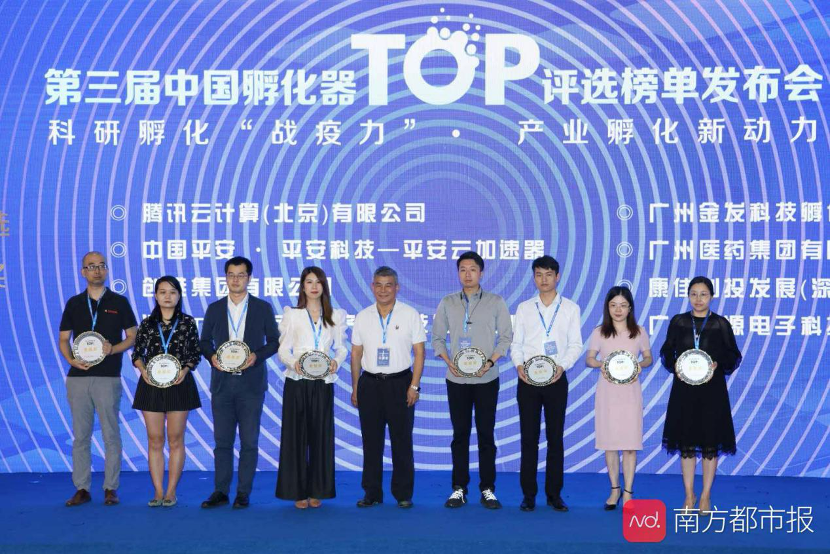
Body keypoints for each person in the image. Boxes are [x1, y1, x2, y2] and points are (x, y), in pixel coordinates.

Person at [431, 251, 513, 509]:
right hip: (456, 380)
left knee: (486, 435)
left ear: (481, 272)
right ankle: (459, 488)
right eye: (463, 269)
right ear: (458, 273)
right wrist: (449, 362)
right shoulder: (447, 302)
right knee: (460, 435)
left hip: (487, 378)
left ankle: (488, 488)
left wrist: (489, 362)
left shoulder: (495, 302)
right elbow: (437, 338)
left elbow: (506, 338)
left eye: (473, 269)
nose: (468, 274)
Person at [199, 256, 280, 509]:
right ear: (226, 278)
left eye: (241, 275)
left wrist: (256, 356)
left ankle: (243, 493)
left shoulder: (262, 308)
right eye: (231, 275)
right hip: (222, 384)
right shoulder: (214, 308)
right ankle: (220, 491)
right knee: (222, 442)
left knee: (249, 442)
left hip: (251, 385)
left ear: (249, 278)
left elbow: (274, 342)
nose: (236, 280)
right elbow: (204, 342)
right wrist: (212, 357)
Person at [59, 251, 137, 507]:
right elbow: (64, 339)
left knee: (110, 434)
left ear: (106, 270)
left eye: (101, 265)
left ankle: (110, 488)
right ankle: (82, 488)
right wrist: (71, 360)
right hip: (78, 377)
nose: (97, 270)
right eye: (91, 266)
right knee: (81, 436)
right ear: (83, 272)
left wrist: (113, 349)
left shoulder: (119, 302)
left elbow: (132, 336)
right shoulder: (74, 303)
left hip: (108, 376)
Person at [660, 276, 741, 514]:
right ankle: (689, 494)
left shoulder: (720, 323)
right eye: (694, 294)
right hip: (684, 390)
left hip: (712, 391)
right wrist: (675, 364)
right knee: (686, 443)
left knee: (709, 444)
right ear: (688, 296)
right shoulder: (679, 322)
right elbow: (666, 350)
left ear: (711, 297)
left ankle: (705, 495)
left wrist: (718, 363)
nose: (698, 299)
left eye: (703, 294)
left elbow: (733, 355)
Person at [510, 256, 582, 512]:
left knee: (555, 438)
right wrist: (519, 365)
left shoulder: (570, 308)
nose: (544, 279)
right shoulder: (524, 308)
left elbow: (575, 344)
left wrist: (562, 366)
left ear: (557, 277)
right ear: (534, 277)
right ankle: (528, 495)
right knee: (528, 438)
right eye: (539, 274)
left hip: (556, 380)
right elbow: (516, 344)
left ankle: (554, 494)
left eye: (549, 274)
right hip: (527, 381)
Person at [350, 266, 426, 508]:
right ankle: (372, 493)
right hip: (369, 383)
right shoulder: (362, 316)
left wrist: (414, 386)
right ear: (372, 287)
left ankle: (403, 494)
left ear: (397, 288)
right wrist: (355, 387)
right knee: (371, 441)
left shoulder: (410, 314)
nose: (383, 290)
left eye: (388, 285)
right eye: (379, 285)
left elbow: (420, 352)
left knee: (402, 441)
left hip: (400, 383)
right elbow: (356, 353)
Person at [276, 267, 347, 509]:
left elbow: (341, 348)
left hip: (323, 382)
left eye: (318, 282)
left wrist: (336, 362)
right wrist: (293, 363)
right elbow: (283, 349)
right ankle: (297, 491)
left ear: (324, 286)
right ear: (303, 286)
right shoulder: (293, 315)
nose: (314, 286)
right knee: (295, 436)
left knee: (321, 436)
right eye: (309, 282)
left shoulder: (335, 315)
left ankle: (318, 489)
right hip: (297, 381)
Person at [131, 276, 202, 507]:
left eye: (172, 292)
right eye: (162, 292)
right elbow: (137, 354)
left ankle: (171, 491)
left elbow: (195, 353)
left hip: (179, 385)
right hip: (150, 385)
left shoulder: (188, 322)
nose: (167, 296)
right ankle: (158, 491)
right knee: (155, 439)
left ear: (179, 295)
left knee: (175, 439)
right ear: (155, 295)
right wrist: (143, 370)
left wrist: (185, 370)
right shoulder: (147, 324)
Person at [585, 286, 652, 510]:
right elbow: (589, 359)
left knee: (630, 445)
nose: (618, 310)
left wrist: (639, 365)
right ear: (607, 307)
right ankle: (614, 489)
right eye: (613, 305)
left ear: (630, 308)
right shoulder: (599, 332)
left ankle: (628, 492)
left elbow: (648, 357)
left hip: (630, 393)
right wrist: (602, 364)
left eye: (623, 305)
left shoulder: (639, 331)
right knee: (611, 445)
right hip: (608, 393)